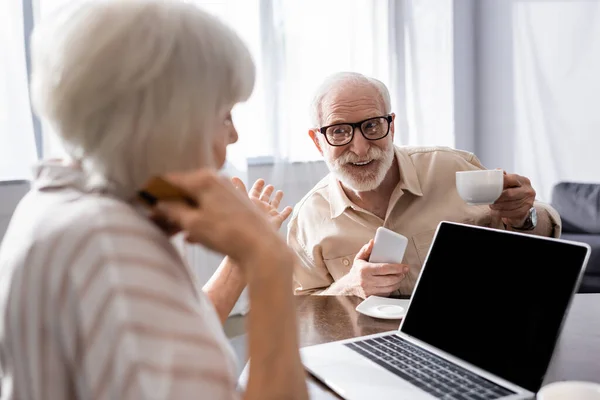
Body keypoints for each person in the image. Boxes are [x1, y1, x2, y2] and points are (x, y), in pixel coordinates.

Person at [0, 1, 308, 399]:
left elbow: (170, 338)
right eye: (223, 116)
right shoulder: (108, 244)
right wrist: (270, 264)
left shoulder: (59, 198)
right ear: (171, 123)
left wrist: (241, 257)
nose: (232, 138)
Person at [288, 72, 561, 298]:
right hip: (366, 347)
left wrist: (524, 216)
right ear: (317, 141)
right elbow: (300, 312)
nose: (360, 149)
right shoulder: (308, 219)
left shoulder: (451, 168)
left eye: (372, 126)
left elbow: (539, 242)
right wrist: (348, 287)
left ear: (391, 126)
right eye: (339, 131)